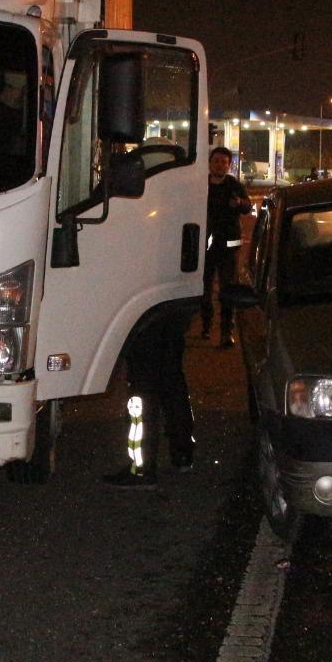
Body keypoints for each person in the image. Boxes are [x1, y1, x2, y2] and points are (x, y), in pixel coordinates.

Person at [103, 304, 196, 487]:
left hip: (145, 319)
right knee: (172, 384)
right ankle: (182, 453)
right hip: (173, 312)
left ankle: (141, 469)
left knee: (141, 397)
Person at [201, 146, 253, 347]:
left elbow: (248, 207)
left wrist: (240, 203)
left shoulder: (234, 186)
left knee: (227, 289)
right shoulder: (202, 184)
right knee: (204, 288)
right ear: (210, 163)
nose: (220, 165)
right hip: (206, 245)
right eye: (216, 161)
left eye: (224, 162)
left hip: (229, 247)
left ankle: (226, 331)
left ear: (229, 165)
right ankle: (205, 325)